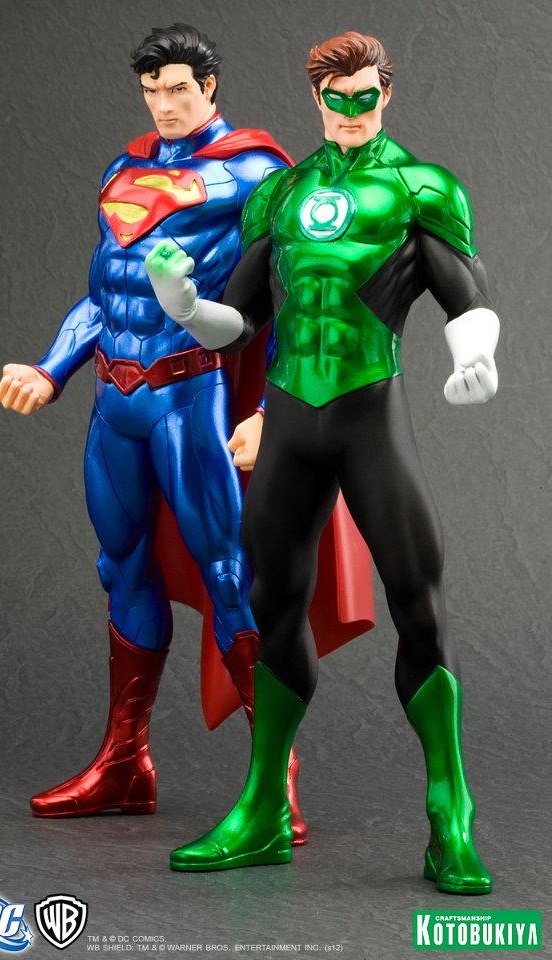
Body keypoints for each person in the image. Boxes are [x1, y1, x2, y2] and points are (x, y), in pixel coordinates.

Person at [145, 31, 499, 894]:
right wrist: (184, 305)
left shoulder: (419, 188)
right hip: (293, 421)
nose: (349, 112)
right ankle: (264, 808)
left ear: (385, 93)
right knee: (270, 602)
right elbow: (242, 321)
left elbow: (465, 292)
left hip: (370, 411)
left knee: (418, 601)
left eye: (363, 97)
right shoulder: (282, 191)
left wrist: (475, 354)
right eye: (334, 99)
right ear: (315, 99)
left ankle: (449, 814)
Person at [0, 22, 313, 836]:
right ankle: (124, 763)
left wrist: (270, 412)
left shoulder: (257, 173)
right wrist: (51, 368)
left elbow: (290, 296)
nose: (163, 105)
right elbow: (104, 293)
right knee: (121, 565)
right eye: (151, 91)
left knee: (228, 572)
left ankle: (272, 777)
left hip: (187, 396)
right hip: (116, 400)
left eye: (177, 89)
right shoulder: (124, 168)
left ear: (209, 87)